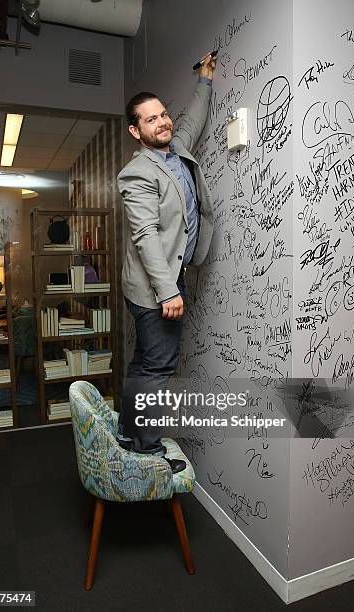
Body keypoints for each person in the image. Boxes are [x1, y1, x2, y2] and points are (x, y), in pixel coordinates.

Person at [117, 53, 217, 473]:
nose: (162, 122)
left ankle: (127, 430)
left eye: (163, 115)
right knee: (159, 366)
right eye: (150, 119)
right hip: (153, 286)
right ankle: (148, 448)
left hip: (162, 280)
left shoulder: (175, 147)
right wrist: (169, 291)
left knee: (143, 362)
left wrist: (205, 80)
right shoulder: (137, 173)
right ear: (135, 130)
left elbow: (191, 121)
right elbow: (147, 239)